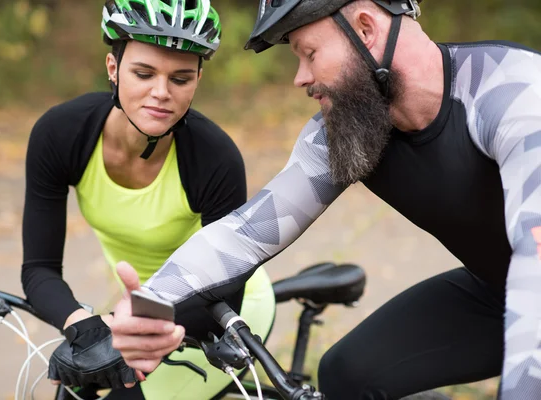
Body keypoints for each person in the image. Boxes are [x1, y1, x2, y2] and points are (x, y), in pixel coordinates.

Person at [109, 0, 541, 399]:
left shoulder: (513, 92)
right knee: (348, 376)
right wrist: (145, 307)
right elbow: (244, 234)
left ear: (365, 28)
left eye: (309, 53)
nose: (300, 78)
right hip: (497, 290)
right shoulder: (352, 124)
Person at [20, 0, 275, 398]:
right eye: (143, 73)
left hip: (214, 310)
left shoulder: (215, 159)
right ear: (112, 68)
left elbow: (223, 292)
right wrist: (81, 324)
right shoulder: (61, 135)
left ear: (197, 80)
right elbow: (39, 269)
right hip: (128, 311)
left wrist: (121, 325)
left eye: (181, 78)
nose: (161, 94)